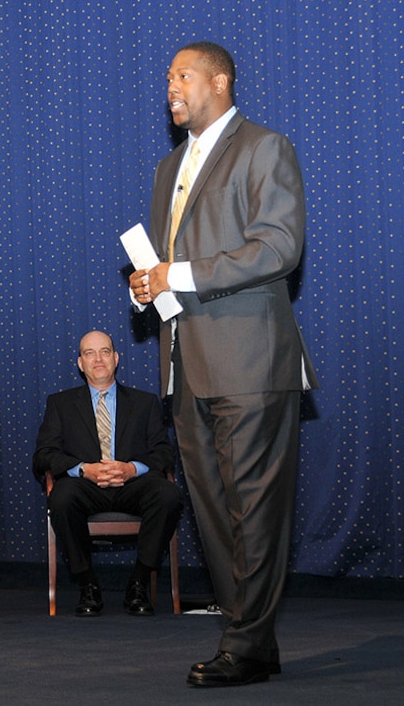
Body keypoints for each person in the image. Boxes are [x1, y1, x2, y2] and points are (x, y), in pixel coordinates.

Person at [129, 42, 318, 687]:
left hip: (251, 362)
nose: (171, 86)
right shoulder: (167, 168)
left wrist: (177, 272)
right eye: (168, 76)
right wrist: (149, 285)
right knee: (213, 512)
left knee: (254, 510)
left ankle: (244, 642)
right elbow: (169, 259)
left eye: (181, 74)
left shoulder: (265, 148)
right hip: (186, 364)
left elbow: (279, 247)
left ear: (220, 79)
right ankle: (251, 639)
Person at [33, 330, 181, 618]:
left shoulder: (145, 402)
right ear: (80, 363)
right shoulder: (60, 404)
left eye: (104, 352)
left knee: (168, 494)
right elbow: (43, 456)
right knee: (61, 497)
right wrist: (84, 470)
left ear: (116, 358)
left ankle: (138, 582)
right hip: (86, 486)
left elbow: (165, 453)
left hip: (133, 486)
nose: (97, 359)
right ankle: (88, 583)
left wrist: (130, 469)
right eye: (89, 353)